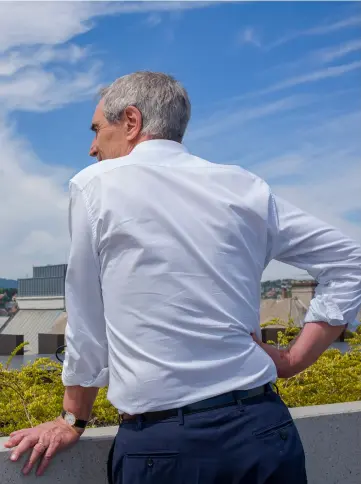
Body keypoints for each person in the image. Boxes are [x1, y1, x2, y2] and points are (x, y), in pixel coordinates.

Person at [5, 71, 361, 483]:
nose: (92, 147)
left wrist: (73, 418)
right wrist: (296, 359)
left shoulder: (96, 186)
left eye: (98, 129)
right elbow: (349, 261)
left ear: (132, 122)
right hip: (263, 431)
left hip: (164, 445)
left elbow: (86, 320)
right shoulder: (244, 187)